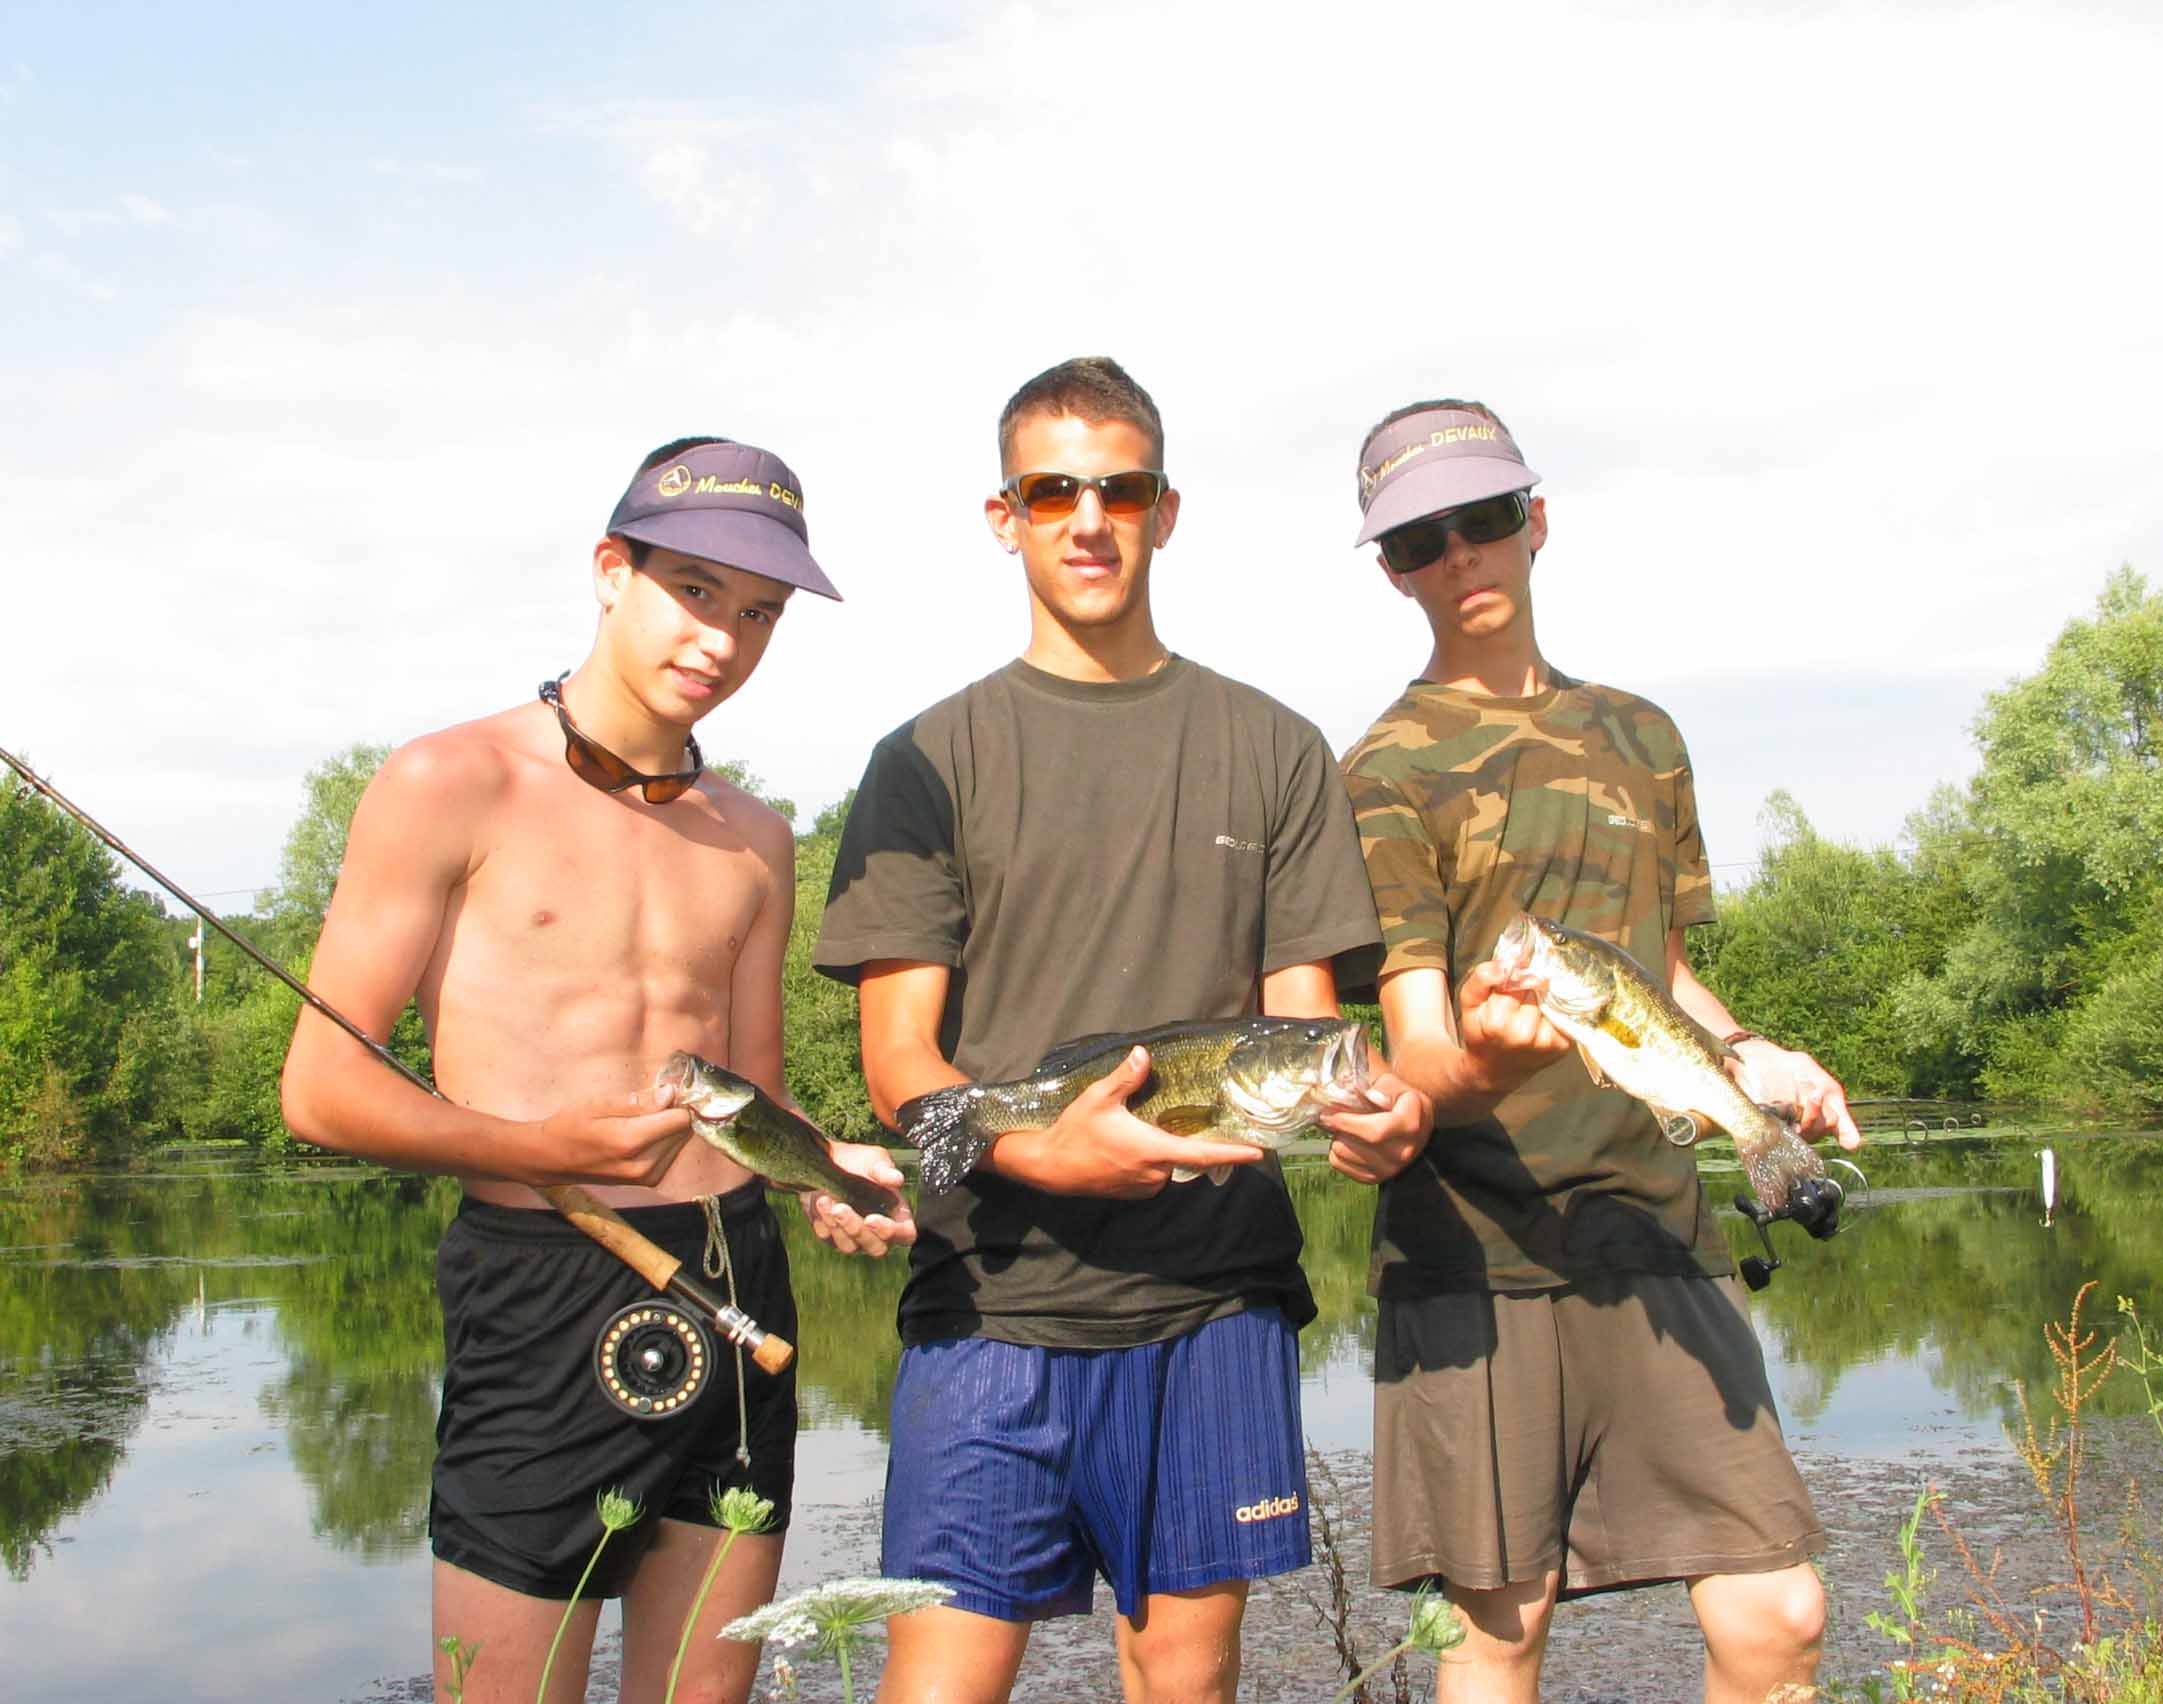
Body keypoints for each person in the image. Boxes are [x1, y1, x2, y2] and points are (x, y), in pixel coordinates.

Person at [812, 357, 1432, 1704]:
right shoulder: (929, 759)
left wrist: (1372, 1116)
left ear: (1165, 509)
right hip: (991, 1303)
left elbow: (1304, 1036)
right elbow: (900, 1065)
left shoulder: (1273, 749)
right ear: (1005, 516)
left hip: (1213, 1305)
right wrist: (1040, 1156)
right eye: (1053, 491)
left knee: (1184, 1688)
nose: (1087, 520)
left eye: (1120, 489)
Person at [278, 436, 914, 1704]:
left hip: (737, 1280)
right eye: (693, 590)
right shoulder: (448, 782)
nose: (721, 640)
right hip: (539, 1285)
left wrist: (821, 1165)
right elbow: (321, 1091)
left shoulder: (755, 838)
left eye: (757, 615)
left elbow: (752, 1090)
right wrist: (533, 1149)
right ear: (609, 569)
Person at [1336, 399, 1866, 1704]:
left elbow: (1665, 972)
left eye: (1485, 519)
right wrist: (1494, 1064)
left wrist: (1749, 1054)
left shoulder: (1645, 738)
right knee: (1498, 1634)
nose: (1461, 557)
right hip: (1476, 1248)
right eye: (1421, 541)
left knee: (1779, 1615)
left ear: (1538, 519)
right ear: (1393, 569)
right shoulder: (1380, 775)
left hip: (1657, 1222)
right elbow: (1413, 1050)